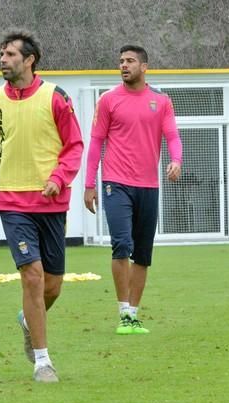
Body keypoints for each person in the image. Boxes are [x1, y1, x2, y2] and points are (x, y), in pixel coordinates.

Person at [0, 29, 84, 382]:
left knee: (53, 285)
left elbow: (74, 145)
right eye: (2, 54)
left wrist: (59, 177)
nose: (3, 60)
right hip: (11, 199)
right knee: (32, 278)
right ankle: (42, 361)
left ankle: (27, 320)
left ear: (29, 59)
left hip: (51, 201)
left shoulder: (55, 97)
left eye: (10, 55)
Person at [84, 45, 182, 334]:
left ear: (144, 66)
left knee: (142, 254)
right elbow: (95, 144)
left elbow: (173, 136)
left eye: (130, 61)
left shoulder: (161, 101)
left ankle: (134, 315)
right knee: (122, 245)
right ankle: (123, 310)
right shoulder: (108, 100)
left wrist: (176, 161)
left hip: (148, 186)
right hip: (116, 183)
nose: (123, 65)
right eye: (121, 61)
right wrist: (89, 184)